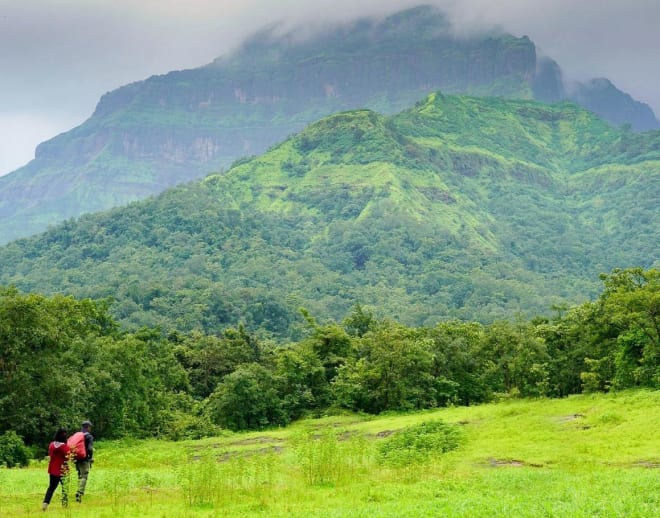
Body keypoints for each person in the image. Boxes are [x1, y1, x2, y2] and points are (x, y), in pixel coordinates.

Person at [42, 428, 70, 511]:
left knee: (51, 487)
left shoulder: (51, 445)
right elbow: (68, 457)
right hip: (63, 469)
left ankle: (45, 503)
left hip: (53, 469)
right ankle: (64, 505)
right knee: (65, 487)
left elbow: (50, 454)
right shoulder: (64, 447)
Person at [74, 420, 94, 503]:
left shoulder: (78, 435)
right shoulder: (89, 436)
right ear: (88, 427)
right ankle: (79, 493)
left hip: (76, 458)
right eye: (90, 427)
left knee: (79, 475)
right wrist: (90, 457)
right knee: (84, 476)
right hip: (84, 459)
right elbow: (89, 448)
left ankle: (79, 490)